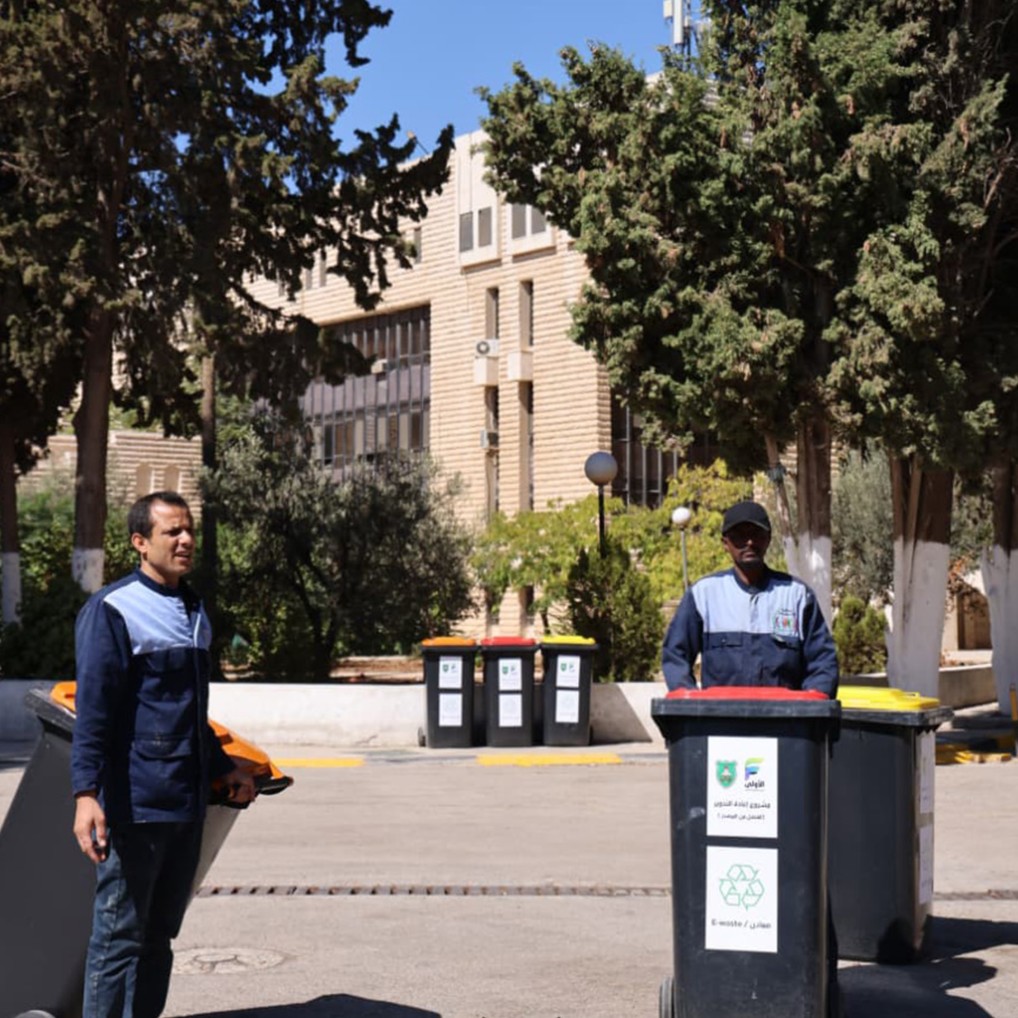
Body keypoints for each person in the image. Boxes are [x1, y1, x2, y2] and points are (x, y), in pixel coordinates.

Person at [71, 491, 256, 1018]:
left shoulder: (194, 609)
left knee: (159, 938)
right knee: (117, 939)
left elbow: (186, 713)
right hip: (135, 804)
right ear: (139, 542)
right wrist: (86, 793)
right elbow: (95, 712)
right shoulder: (112, 609)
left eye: (188, 530)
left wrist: (224, 769)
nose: (185, 540)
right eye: (171, 531)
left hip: (186, 803)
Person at [661, 499, 838, 696]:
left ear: (768, 539)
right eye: (739, 537)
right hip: (721, 723)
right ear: (725, 543)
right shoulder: (704, 595)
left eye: (756, 535)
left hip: (784, 722)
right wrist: (689, 702)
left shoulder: (797, 595)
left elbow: (823, 662)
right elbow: (675, 655)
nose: (749, 543)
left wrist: (812, 705)